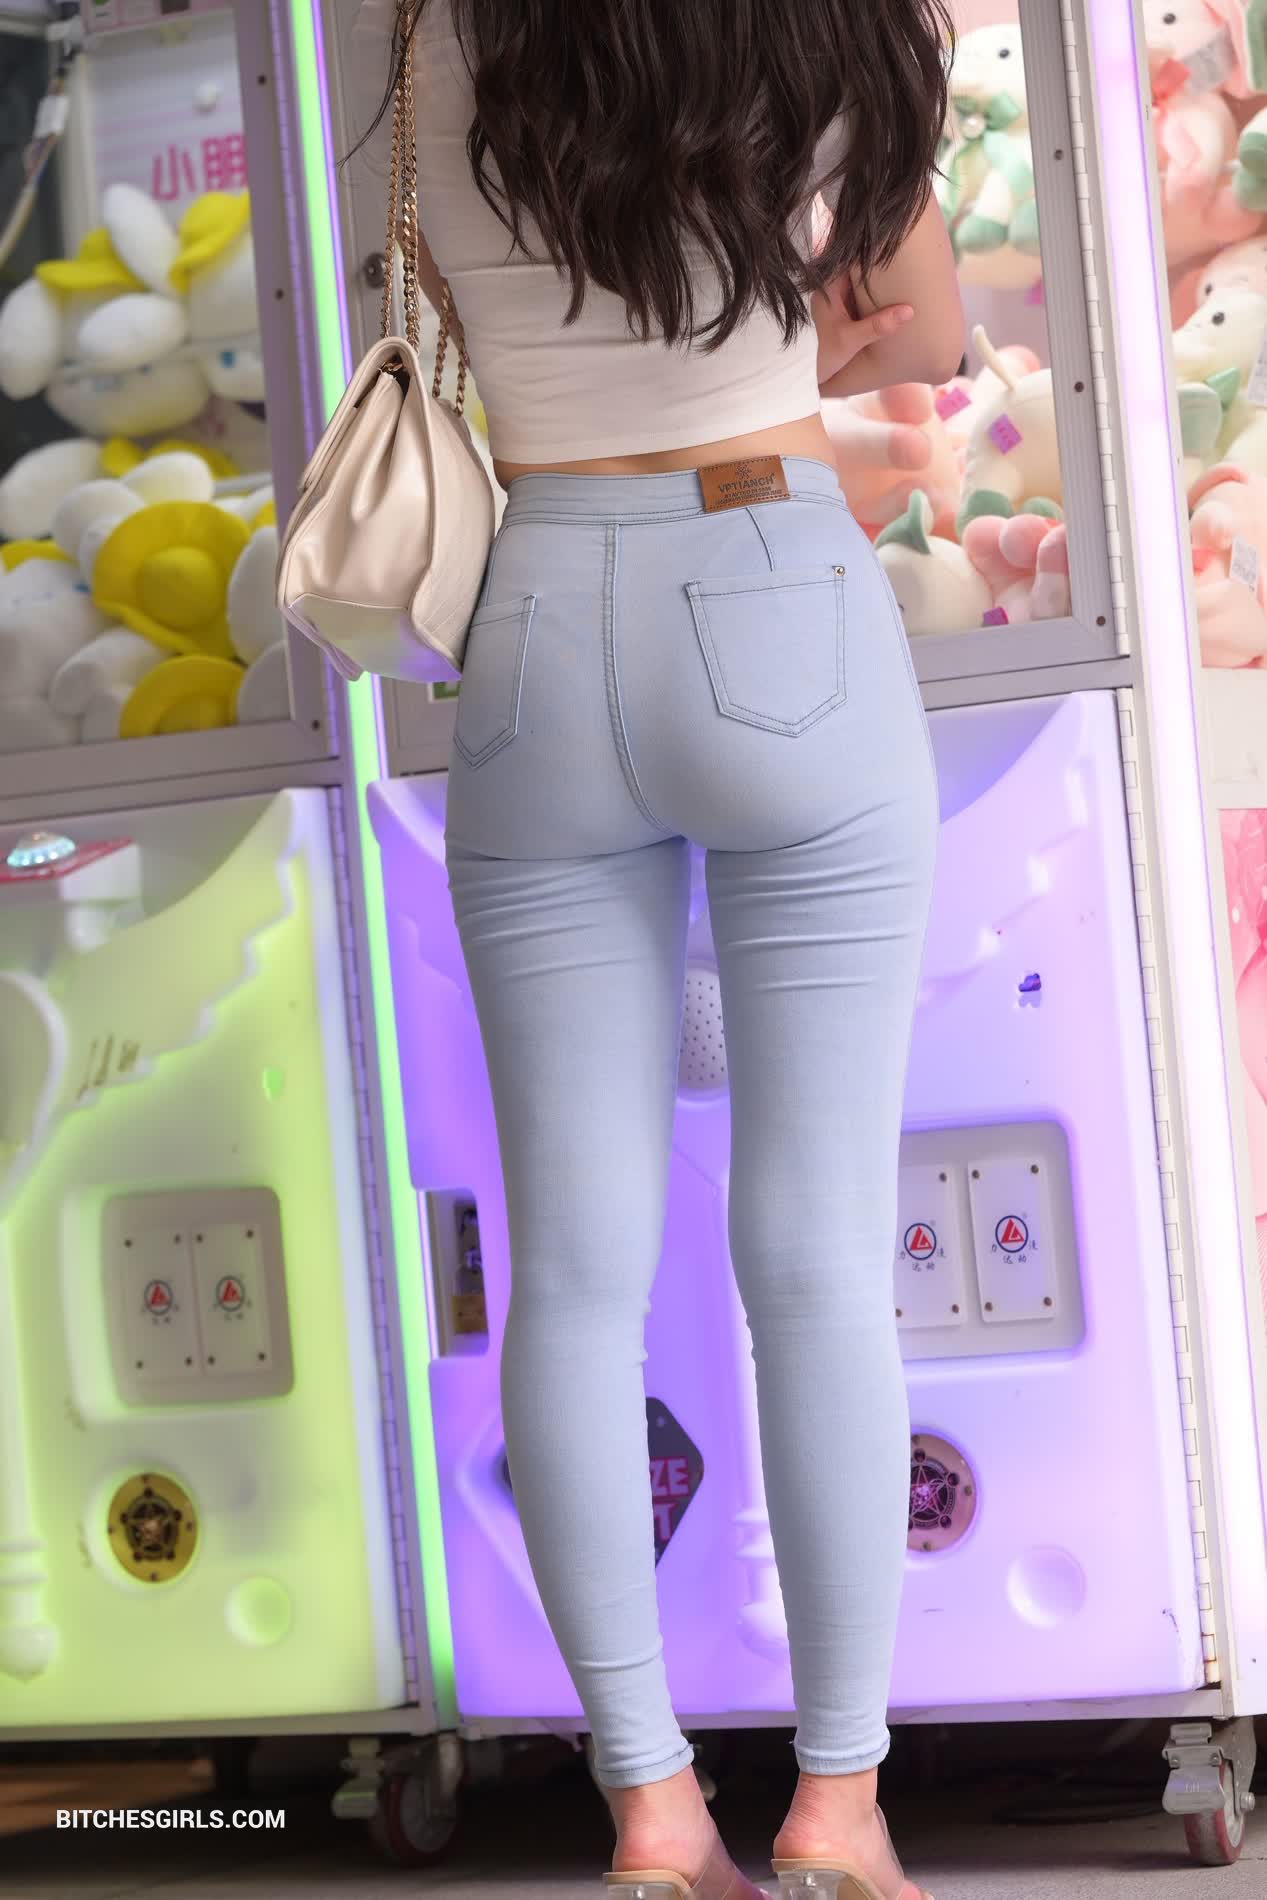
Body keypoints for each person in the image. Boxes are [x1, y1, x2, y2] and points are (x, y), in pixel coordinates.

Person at [367, 2, 963, 1893]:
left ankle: (649, 1807)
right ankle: (841, 1809)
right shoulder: (821, 25)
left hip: (536, 607)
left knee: (569, 1275)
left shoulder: (433, 29)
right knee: (818, 1260)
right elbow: (929, 333)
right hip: (771, 558)